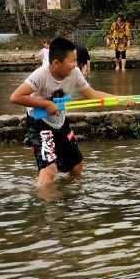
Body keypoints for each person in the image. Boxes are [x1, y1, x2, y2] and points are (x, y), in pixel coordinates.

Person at [9, 37, 132, 187]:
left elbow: (93, 95)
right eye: (72, 61)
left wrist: (121, 99)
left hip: (60, 122)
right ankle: (47, 205)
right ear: (56, 63)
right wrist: (46, 104)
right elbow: (16, 97)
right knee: (49, 169)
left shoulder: (75, 73)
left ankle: (67, 196)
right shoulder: (40, 75)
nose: (75, 65)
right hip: (39, 123)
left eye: (76, 61)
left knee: (77, 167)